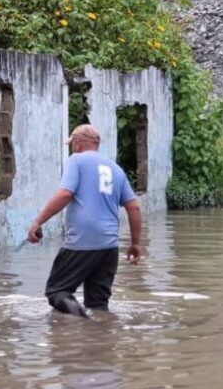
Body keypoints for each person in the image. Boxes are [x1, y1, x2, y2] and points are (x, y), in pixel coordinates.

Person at [27, 124, 142, 317]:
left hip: (82, 241)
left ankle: (83, 323)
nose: (72, 147)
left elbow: (64, 194)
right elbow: (134, 207)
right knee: (98, 304)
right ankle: (98, 339)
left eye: (73, 143)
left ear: (79, 143)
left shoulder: (76, 160)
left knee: (57, 291)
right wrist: (135, 243)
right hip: (109, 247)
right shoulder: (116, 170)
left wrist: (38, 221)